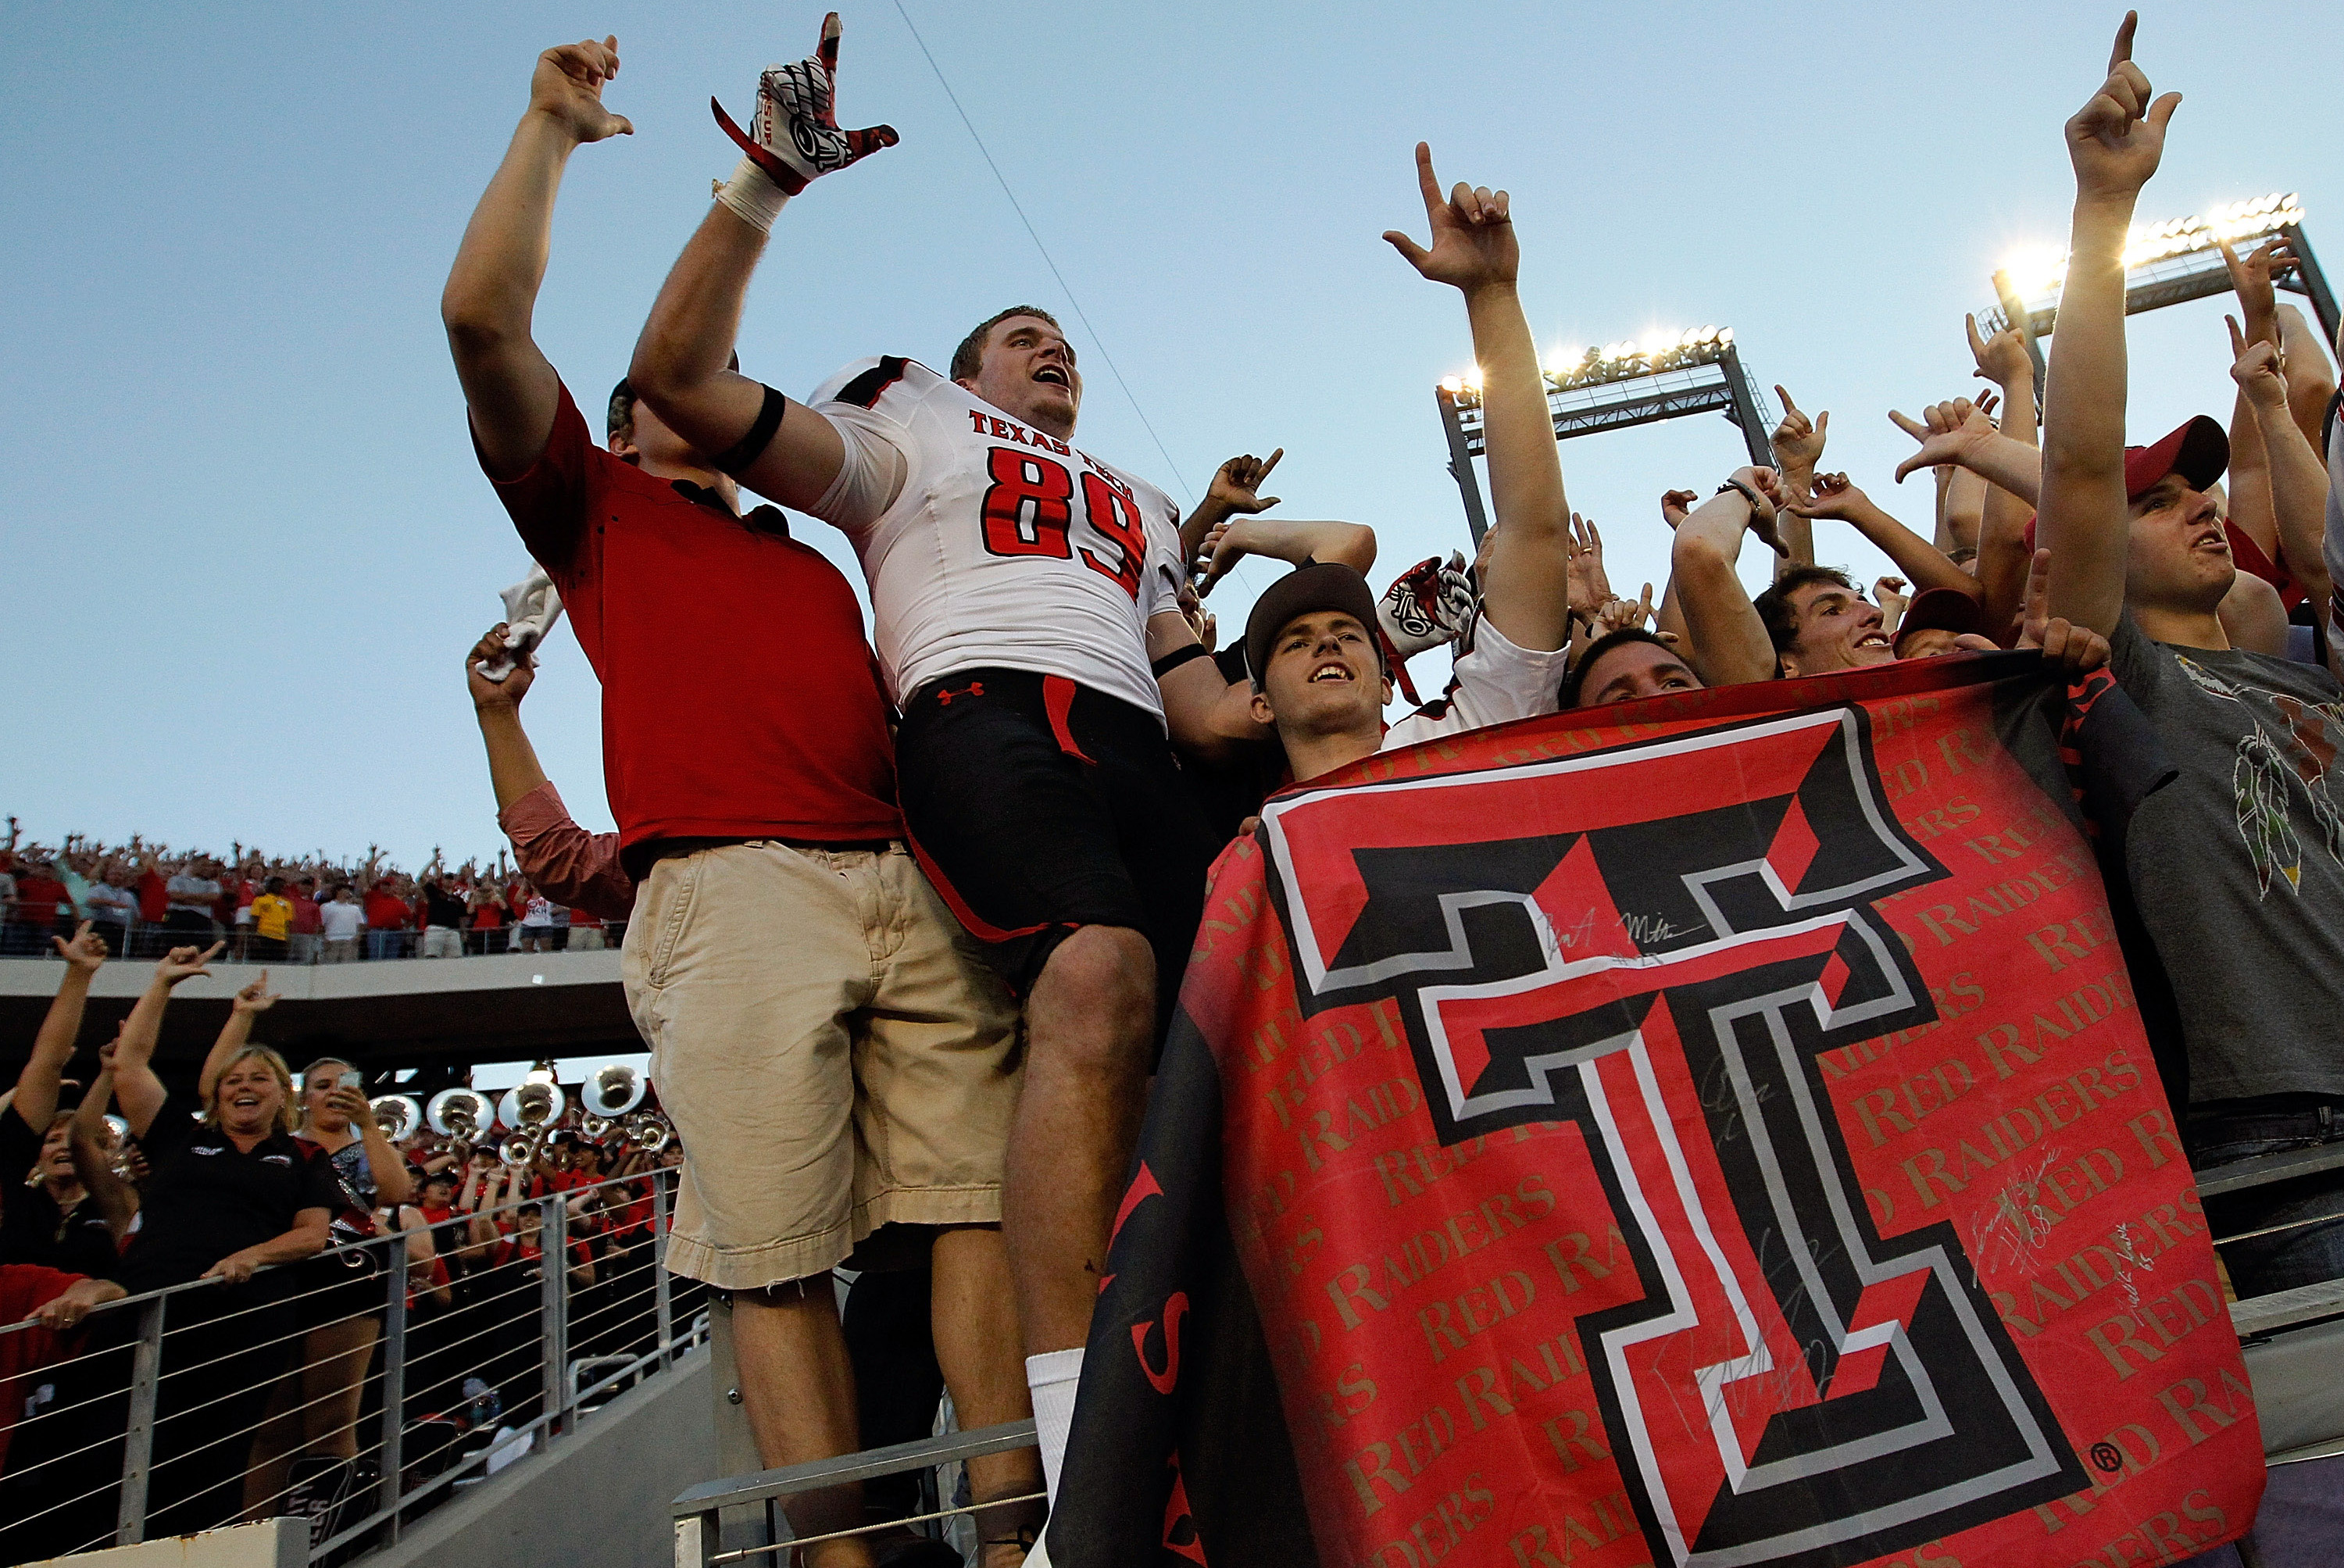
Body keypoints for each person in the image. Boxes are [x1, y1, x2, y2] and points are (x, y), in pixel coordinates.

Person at [622, 27, 1294, 1509]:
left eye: (1063, 337)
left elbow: (1200, 710)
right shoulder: (912, 417)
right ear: (967, 362)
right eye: (1021, 332)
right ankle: (1078, 1450)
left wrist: (1344, 658)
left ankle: (1240, 1386)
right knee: (1097, 973)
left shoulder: (1141, 499)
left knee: (1221, 1036)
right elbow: (673, 376)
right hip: (987, 710)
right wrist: (763, 187)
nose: (1052, 346)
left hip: (1131, 737)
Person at [443, 35, 1040, 1559]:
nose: (686, 404)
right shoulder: (593, 508)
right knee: (772, 1254)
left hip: (904, 875)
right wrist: (550, 133)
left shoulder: (811, 556)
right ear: (636, 413)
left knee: (979, 1198)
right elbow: (479, 318)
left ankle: (1009, 1513)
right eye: (660, 394)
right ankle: (838, 1555)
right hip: (729, 884)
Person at [2035, 13, 2344, 1301]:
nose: (2203, 506)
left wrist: (2273, 402)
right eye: (2164, 501)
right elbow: (2081, 455)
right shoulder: (2132, 686)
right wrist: (2103, 219)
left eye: (2208, 492)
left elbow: (2318, 547)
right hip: (2282, 1134)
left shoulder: (2299, 668)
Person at [1, 945, 341, 1559]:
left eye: (259, 1077)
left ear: (280, 1094)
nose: (244, 1084)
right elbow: (130, 1063)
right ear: (216, 1093)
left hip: (245, 1317)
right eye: (234, 1078)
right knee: (96, 1442)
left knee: (212, 1451)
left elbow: (312, 1233)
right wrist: (162, 982)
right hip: (142, 1304)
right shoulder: (182, 1136)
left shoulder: (303, 1156)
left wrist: (255, 1256)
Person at [2, 924, 123, 1279]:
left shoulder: (114, 1203)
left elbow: (48, 1059)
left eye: (71, 1139)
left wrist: (79, 974)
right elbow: (46, 1062)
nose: (63, 1147)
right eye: (52, 1139)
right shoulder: (22, 1196)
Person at [248, 875, 294, 963]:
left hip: (280, 939)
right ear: (270, 886)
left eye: (283, 886)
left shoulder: (287, 904)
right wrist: (254, 937)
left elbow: (288, 923)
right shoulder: (260, 900)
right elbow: (255, 919)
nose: (281, 888)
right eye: (278, 885)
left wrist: (287, 940)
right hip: (263, 936)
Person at [319, 882, 364, 962]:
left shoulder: (355, 908)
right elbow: (321, 925)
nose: (348, 891)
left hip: (350, 942)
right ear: (338, 891)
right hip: (332, 941)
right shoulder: (326, 907)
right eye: (345, 889)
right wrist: (324, 939)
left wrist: (358, 937)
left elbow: (361, 924)